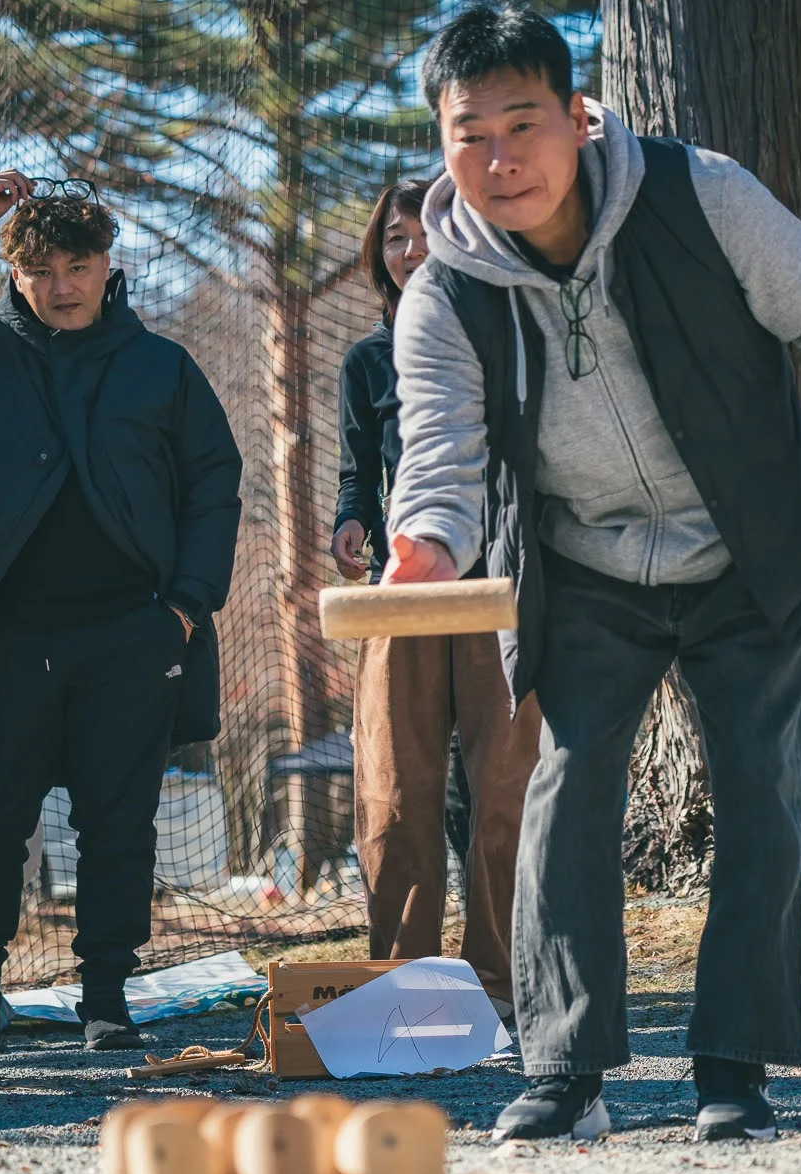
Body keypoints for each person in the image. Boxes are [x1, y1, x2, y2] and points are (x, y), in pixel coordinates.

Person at [386, 5, 801, 1144]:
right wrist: (423, 544)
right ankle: (562, 1071)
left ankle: (732, 1072)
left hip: (748, 546)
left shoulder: (700, 196)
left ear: (578, 118)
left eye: (520, 123)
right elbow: (438, 449)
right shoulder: (444, 289)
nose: (497, 159)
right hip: (583, 563)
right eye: (466, 134)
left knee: (763, 802)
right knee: (564, 792)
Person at [0, 173, 243, 1054]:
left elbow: (215, 485)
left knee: (117, 820)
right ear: (11, 271)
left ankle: (106, 995)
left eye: (77, 264)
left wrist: (186, 607)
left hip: (135, 632)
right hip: (4, 632)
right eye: (38, 267)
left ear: (107, 263)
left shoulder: (160, 365)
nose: (60, 285)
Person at [334, 176, 541, 1015]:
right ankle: (402, 986)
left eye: (423, 231)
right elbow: (360, 472)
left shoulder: (511, 330)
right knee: (393, 789)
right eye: (394, 236)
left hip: (503, 586)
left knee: (505, 786)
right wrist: (351, 522)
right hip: (406, 592)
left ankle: (504, 980)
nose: (409, 247)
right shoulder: (365, 361)